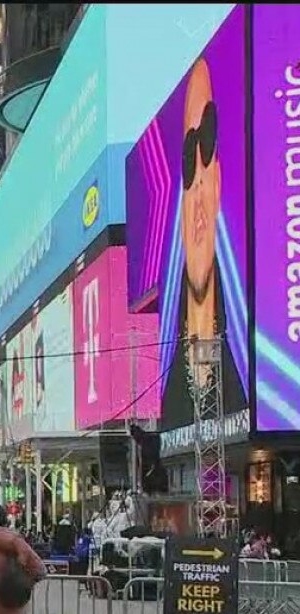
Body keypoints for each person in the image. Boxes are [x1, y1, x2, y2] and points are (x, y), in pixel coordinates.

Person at [160, 55, 246, 428]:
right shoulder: (163, 385)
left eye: (207, 145)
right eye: (187, 158)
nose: (196, 186)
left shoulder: (250, 367)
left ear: (220, 181)